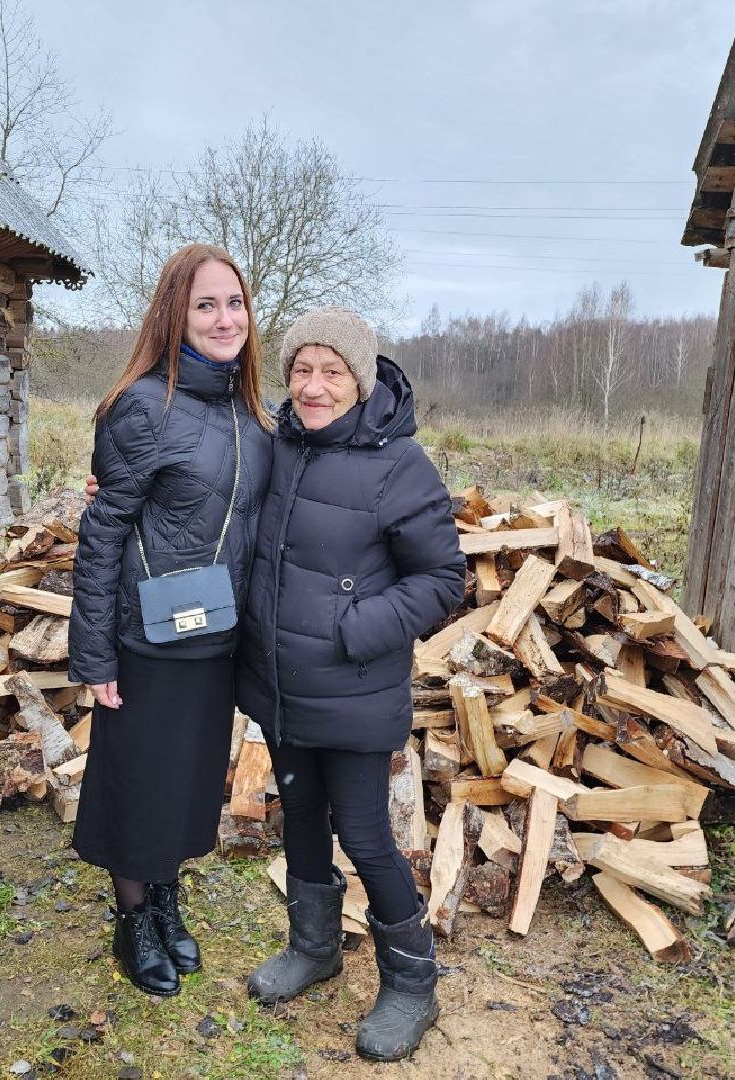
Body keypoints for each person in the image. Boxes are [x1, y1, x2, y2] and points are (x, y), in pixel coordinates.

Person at [236, 307, 464, 1060]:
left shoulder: (401, 466)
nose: (313, 385)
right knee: (298, 813)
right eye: (302, 368)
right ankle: (315, 947)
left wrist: (356, 629)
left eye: (332, 371)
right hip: (279, 682)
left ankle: (412, 985)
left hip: (354, 685)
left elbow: (442, 579)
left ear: (361, 381)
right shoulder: (278, 446)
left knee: (364, 833)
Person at [67, 244, 274, 997]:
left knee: (186, 788)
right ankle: (133, 922)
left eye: (234, 303)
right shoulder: (141, 407)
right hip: (149, 638)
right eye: (206, 305)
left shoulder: (255, 415)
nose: (225, 319)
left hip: (217, 641)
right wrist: (95, 658)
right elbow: (103, 534)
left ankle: (166, 901)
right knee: (138, 788)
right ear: (175, 316)